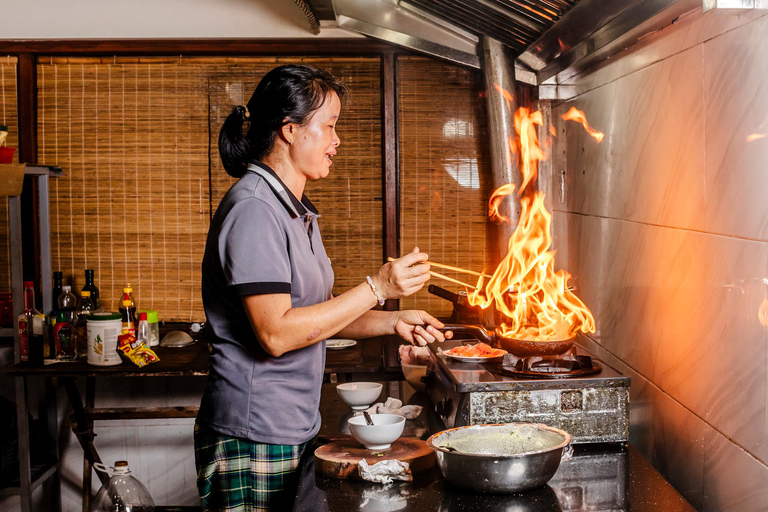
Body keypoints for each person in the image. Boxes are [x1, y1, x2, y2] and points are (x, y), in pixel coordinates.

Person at [195, 64, 451, 512]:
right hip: (255, 432)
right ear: (290, 130)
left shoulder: (294, 209)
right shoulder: (255, 210)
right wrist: (378, 285)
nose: (337, 141)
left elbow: (316, 316)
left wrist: (393, 320)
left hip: (292, 423)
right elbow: (277, 333)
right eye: (329, 126)